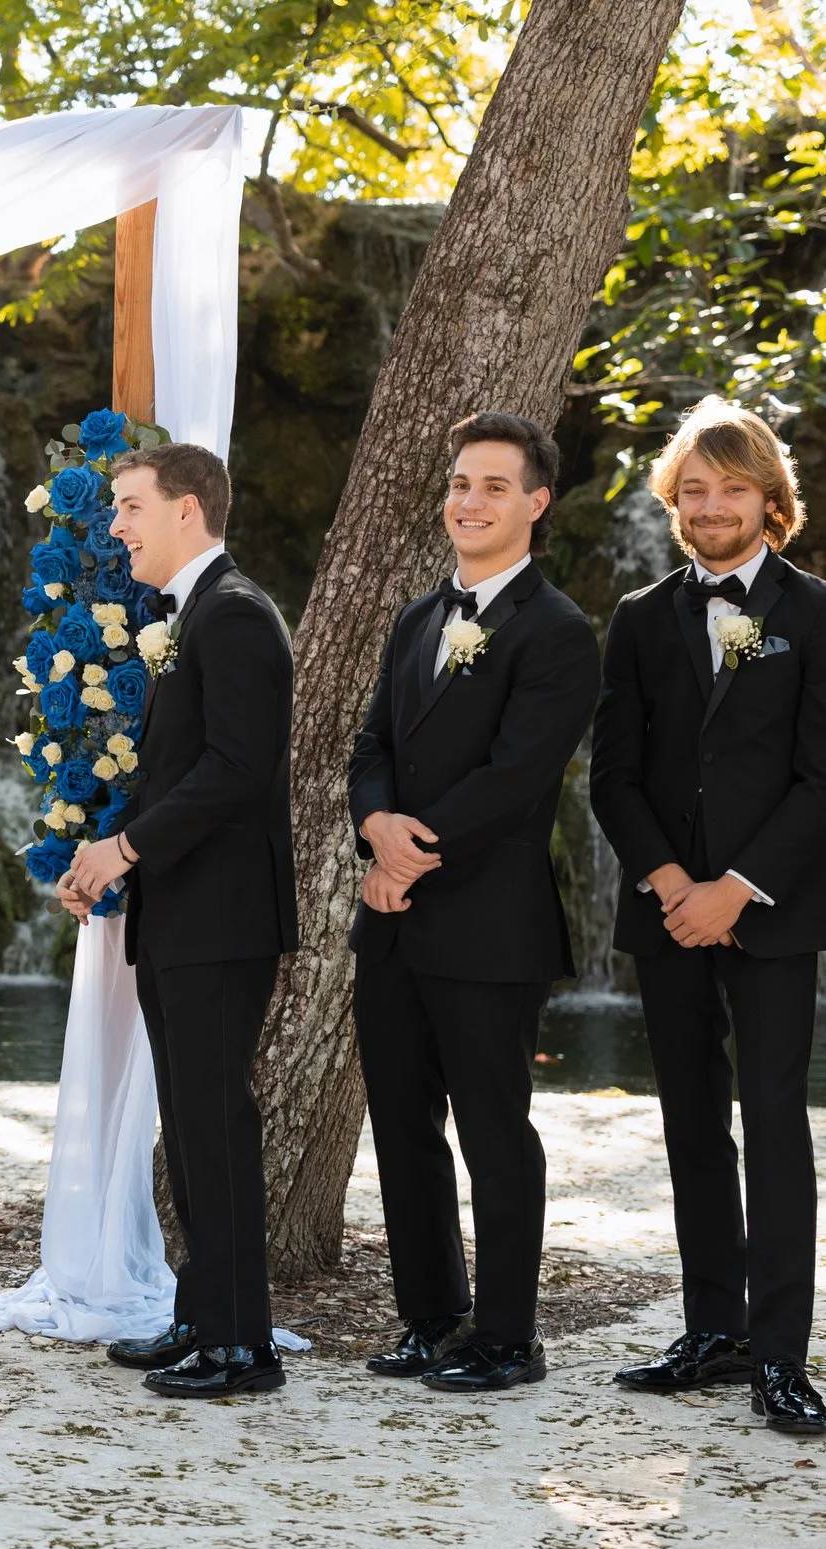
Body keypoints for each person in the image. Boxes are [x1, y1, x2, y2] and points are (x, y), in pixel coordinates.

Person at [346, 412, 599, 1393]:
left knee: (495, 1131)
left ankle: (505, 1335)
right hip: (392, 918)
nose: (468, 500)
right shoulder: (415, 617)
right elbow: (369, 746)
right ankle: (431, 1315)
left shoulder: (557, 629)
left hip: (488, 922)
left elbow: (513, 776)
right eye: (459, 482)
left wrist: (409, 853)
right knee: (401, 1124)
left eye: (492, 485)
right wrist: (374, 826)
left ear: (534, 503)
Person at [592, 398, 826, 1437]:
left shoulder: (815, 613)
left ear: (770, 500)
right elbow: (614, 775)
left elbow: (821, 776)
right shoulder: (641, 618)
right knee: (691, 1125)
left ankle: (780, 1354)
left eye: (730, 488)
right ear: (673, 503)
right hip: (667, 912)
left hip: (771, 913)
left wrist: (735, 886)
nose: (710, 505)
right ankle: (711, 1331)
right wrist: (671, 883)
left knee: (772, 1127)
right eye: (693, 489)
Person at [60, 443, 295, 1399]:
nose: (116, 526)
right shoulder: (191, 612)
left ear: (188, 509)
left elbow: (236, 770)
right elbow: (182, 772)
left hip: (223, 915)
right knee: (190, 1127)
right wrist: (107, 856)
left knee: (216, 1124)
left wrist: (127, 849)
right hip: (184, 911)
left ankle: (246, 1344)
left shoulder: (234, 615)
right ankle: (201, 1316)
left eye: (129, 507)